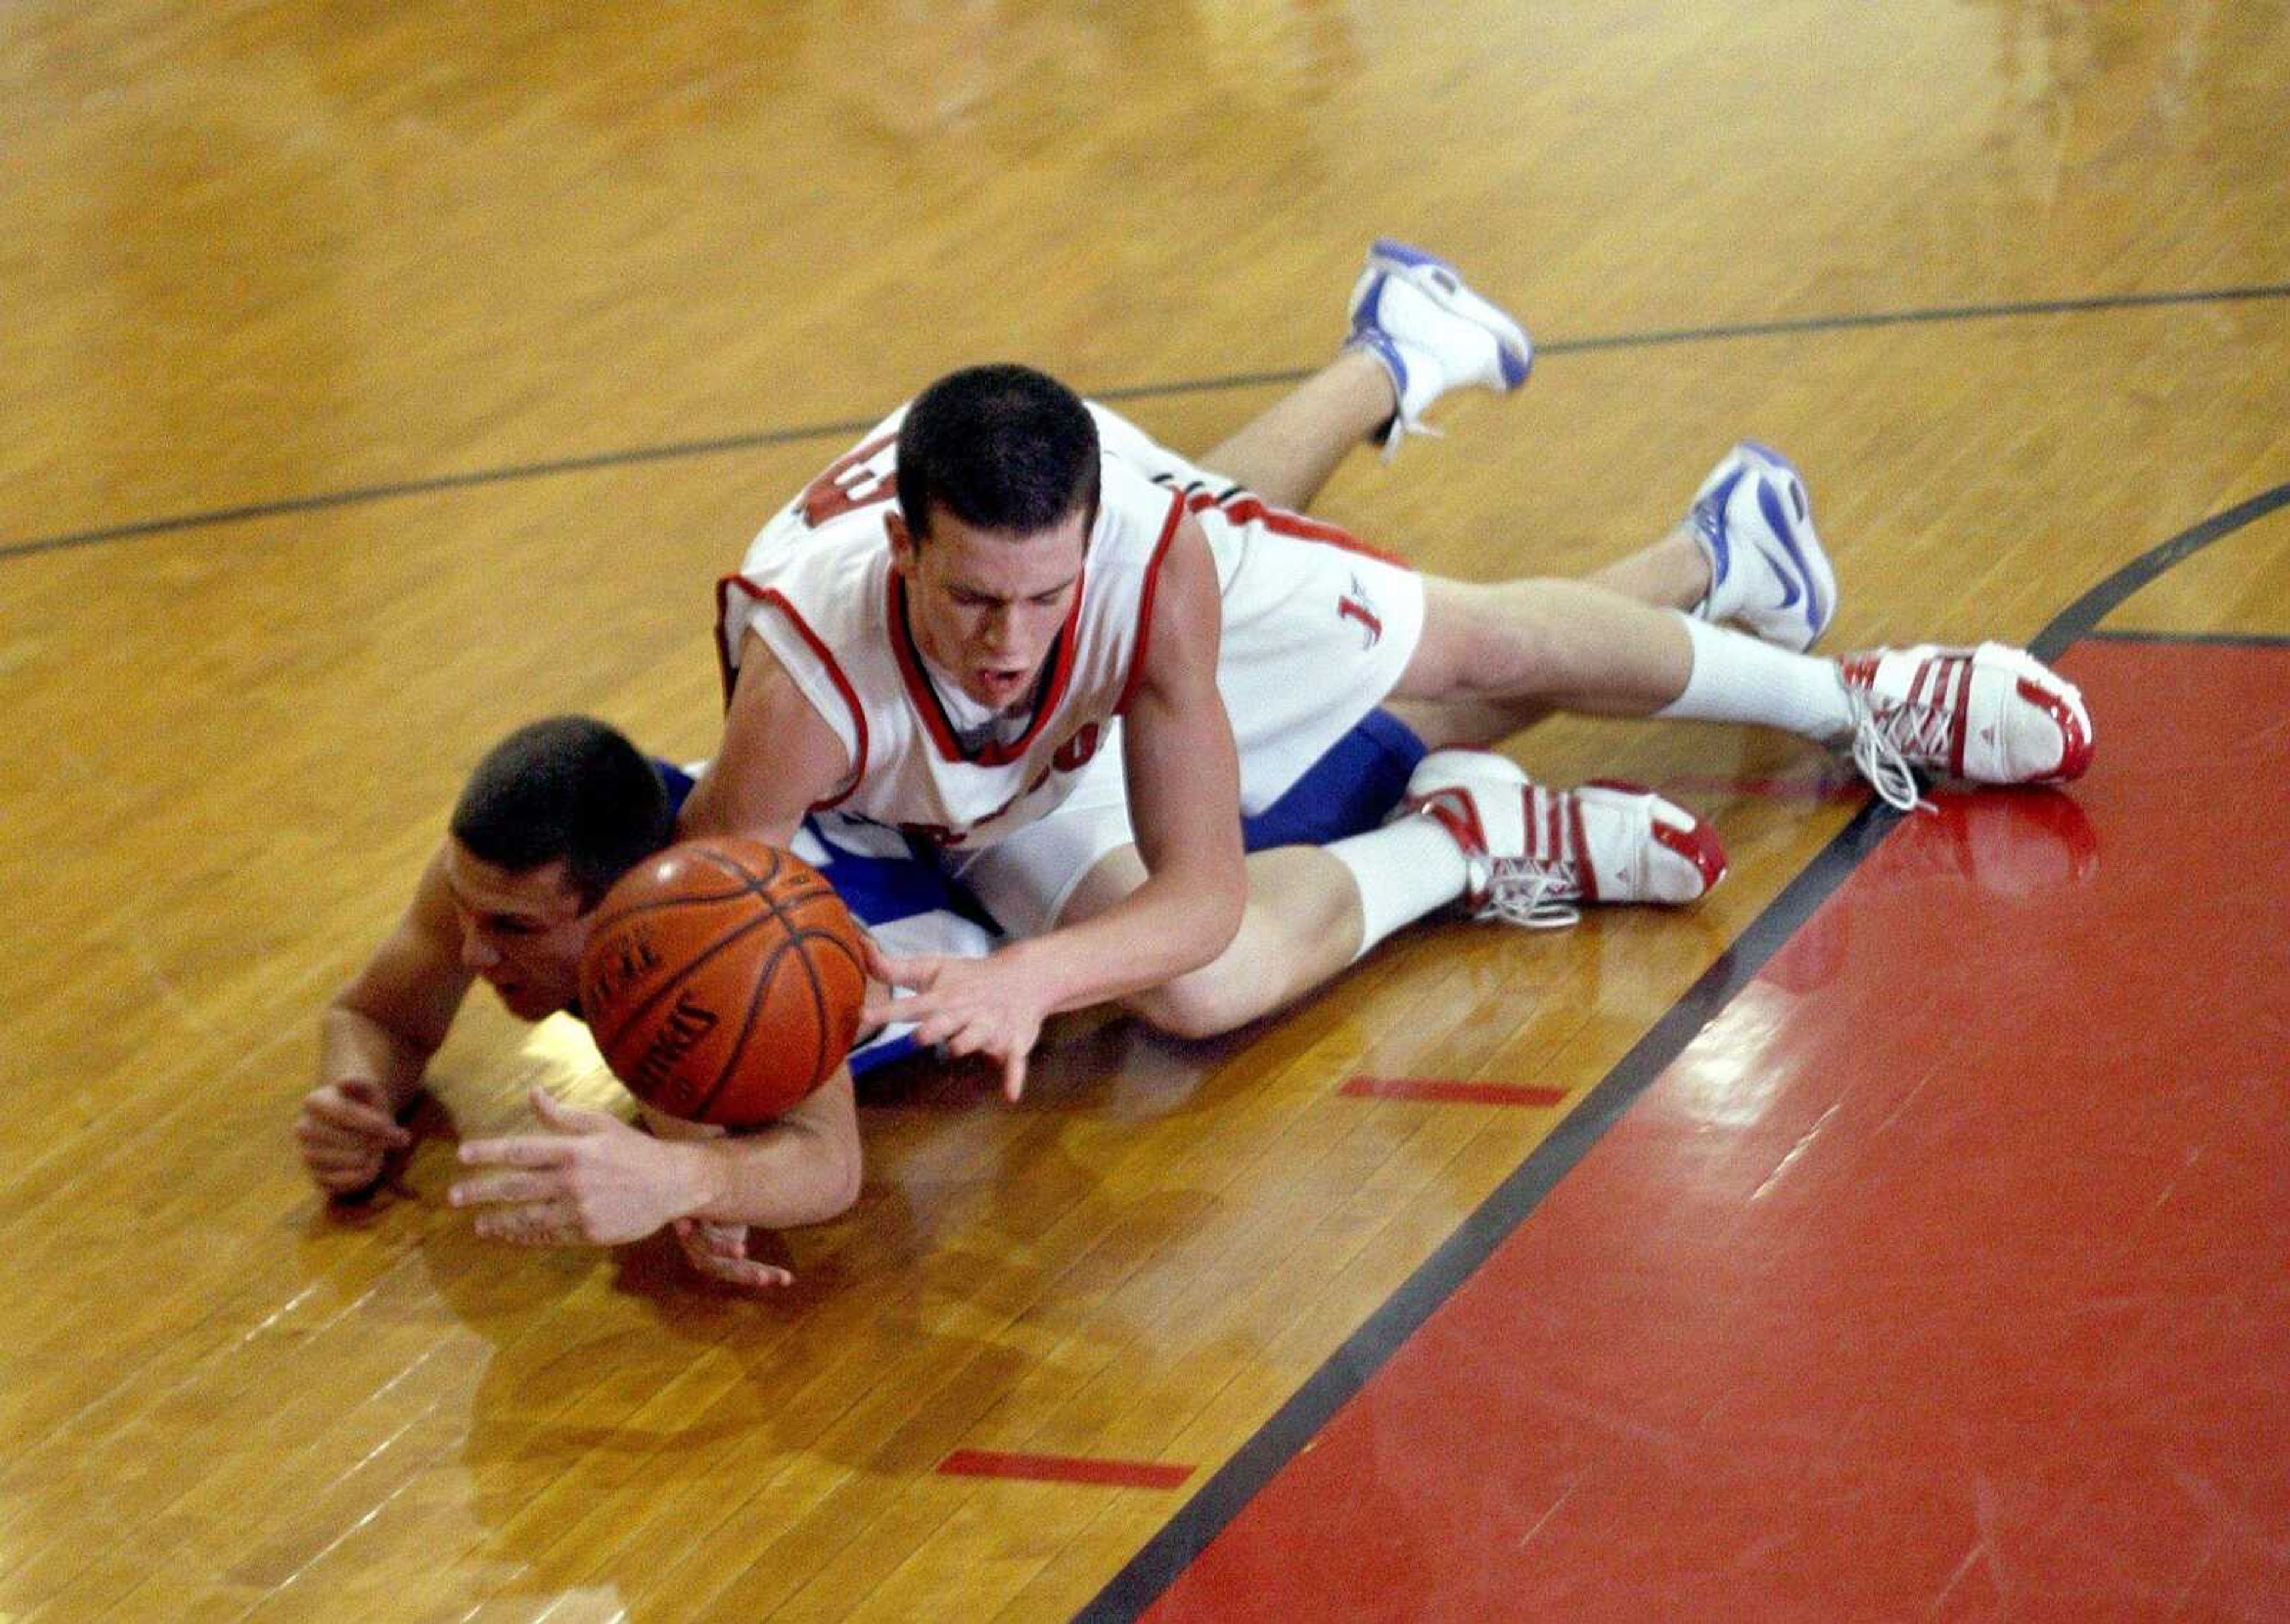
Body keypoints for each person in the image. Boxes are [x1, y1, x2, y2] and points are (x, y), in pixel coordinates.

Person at [682, 238, 2094, 1097]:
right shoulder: (809, 682)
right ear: (903, 553)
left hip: (1131, 563)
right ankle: (1469, 832)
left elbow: (1202, 881)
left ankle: (1852, 691)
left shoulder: (1149, 560)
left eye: (1042, 598)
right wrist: (707, 1164)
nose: (1007, 644)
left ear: (1095, 546)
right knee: (1198, 997)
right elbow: (698, 926)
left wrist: (1039, 977)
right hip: (989, 785)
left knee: (1469, 629)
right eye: (973, 600)